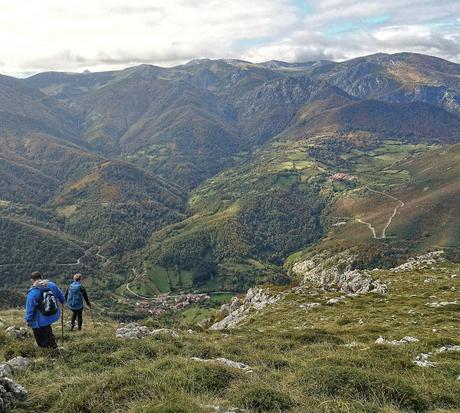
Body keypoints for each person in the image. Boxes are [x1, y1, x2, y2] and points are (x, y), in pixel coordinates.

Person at [25, 271, 65, 349]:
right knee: (47, 330)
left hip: (40, 320)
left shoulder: (33, 292)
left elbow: (30, 309)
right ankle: (53, 346)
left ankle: (47, 350)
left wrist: (28, 320)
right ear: (41, 277)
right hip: (52, 314)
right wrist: (62, 302)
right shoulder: (52, 285)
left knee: (40, 338)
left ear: (32, 280)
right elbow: (62, 298)